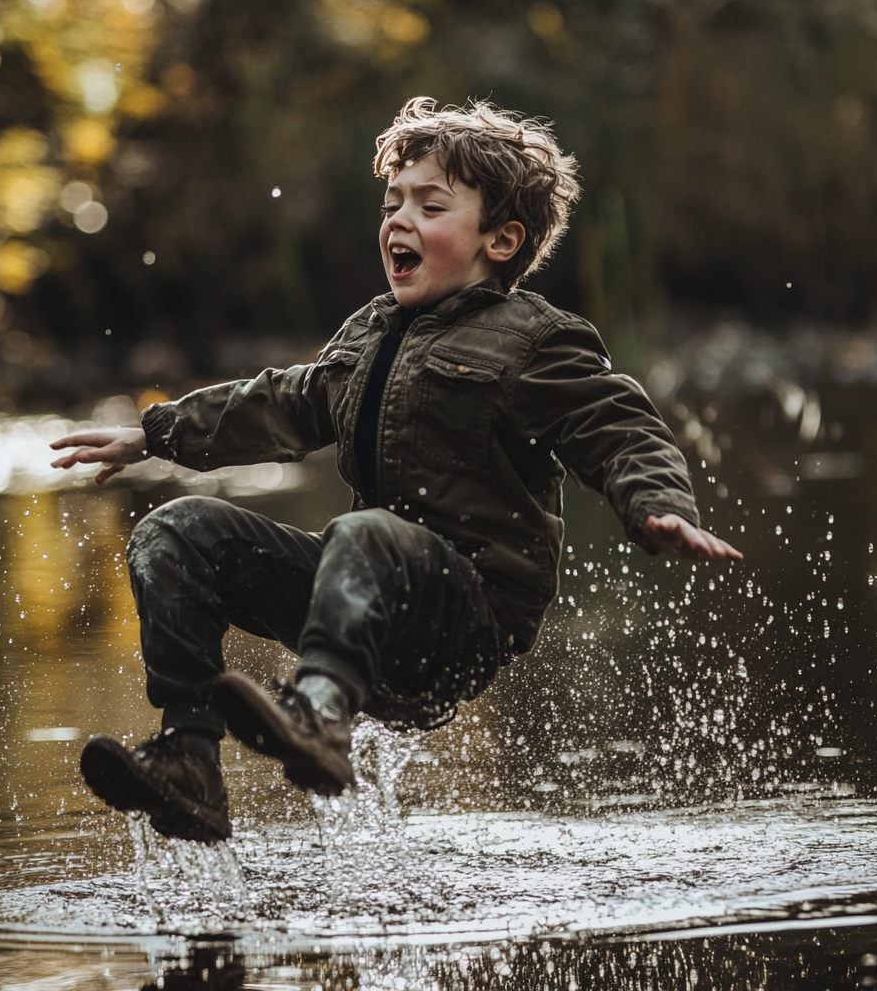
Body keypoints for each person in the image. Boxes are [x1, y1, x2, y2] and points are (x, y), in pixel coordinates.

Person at [50, 97, 741, 844]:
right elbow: (281, 403)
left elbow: (618, 426)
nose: (398, 220)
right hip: (366, 609)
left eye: (430, 205)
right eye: (392, 203)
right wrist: (155, 434)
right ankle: (189, 765)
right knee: (174, 534)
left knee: (365, 534)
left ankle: (318, 717)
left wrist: (656, 504)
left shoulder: (535, 341)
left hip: (461, 621)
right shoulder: (369, 333)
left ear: (501, 240)